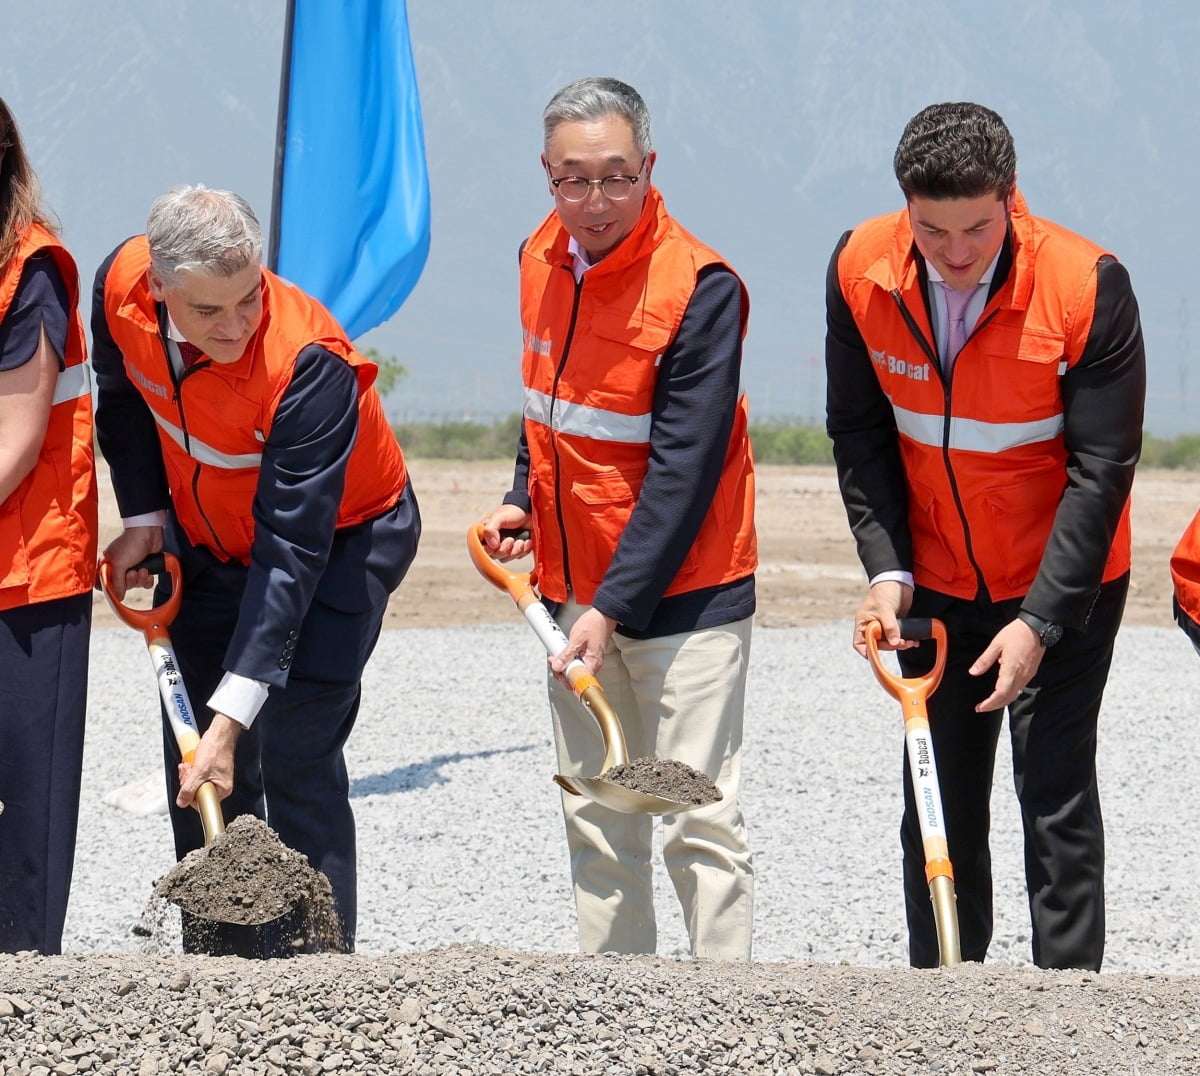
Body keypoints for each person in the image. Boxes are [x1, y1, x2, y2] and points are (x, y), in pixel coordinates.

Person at [825, 101, 1145, 970]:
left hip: (1063, 586)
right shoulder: (861, 269)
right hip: (932, 583)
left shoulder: (1086, 285)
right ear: (905, 208)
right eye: (931, 231)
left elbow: (1102, 472)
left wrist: (1040, 620)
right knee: (936, 804)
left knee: (1054, 794)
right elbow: (859, 432)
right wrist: (887, 570)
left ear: (1010, 199)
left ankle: (1066, 1012)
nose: (956, 254)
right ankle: (948, 1002)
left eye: (976, 227)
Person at [92, 185, 420, 956]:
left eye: (249, 299)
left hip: (339, 543)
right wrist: (145, 518)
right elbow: (121, 395)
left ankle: (316, 974)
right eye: (209, 313)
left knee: (298, 741)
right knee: (195, 759)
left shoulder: (309, 366)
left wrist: (233, 719)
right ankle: (221, 966)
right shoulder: (118, 285)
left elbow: (290, 556)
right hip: (205, 536)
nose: (237, 326)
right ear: (159, 286)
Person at [479, 77, 757, 960]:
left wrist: (610, 609)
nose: (594, 203)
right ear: (545, 174)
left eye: (615, 178)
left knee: (694, 819)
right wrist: (523, 493)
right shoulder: (538, 255)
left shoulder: (701, 288)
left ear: (649, 168)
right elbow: (547, 408)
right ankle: (620, 1018)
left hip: (686, 598)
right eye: (572, 180)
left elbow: (682, 475)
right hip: (571, 591)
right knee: (599, 816)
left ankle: (730, 1028)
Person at [0, 98, 97, 955]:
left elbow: (17, 438)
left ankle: (26, 997)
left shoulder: (31, 268)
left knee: (27, 808)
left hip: (29, 574)